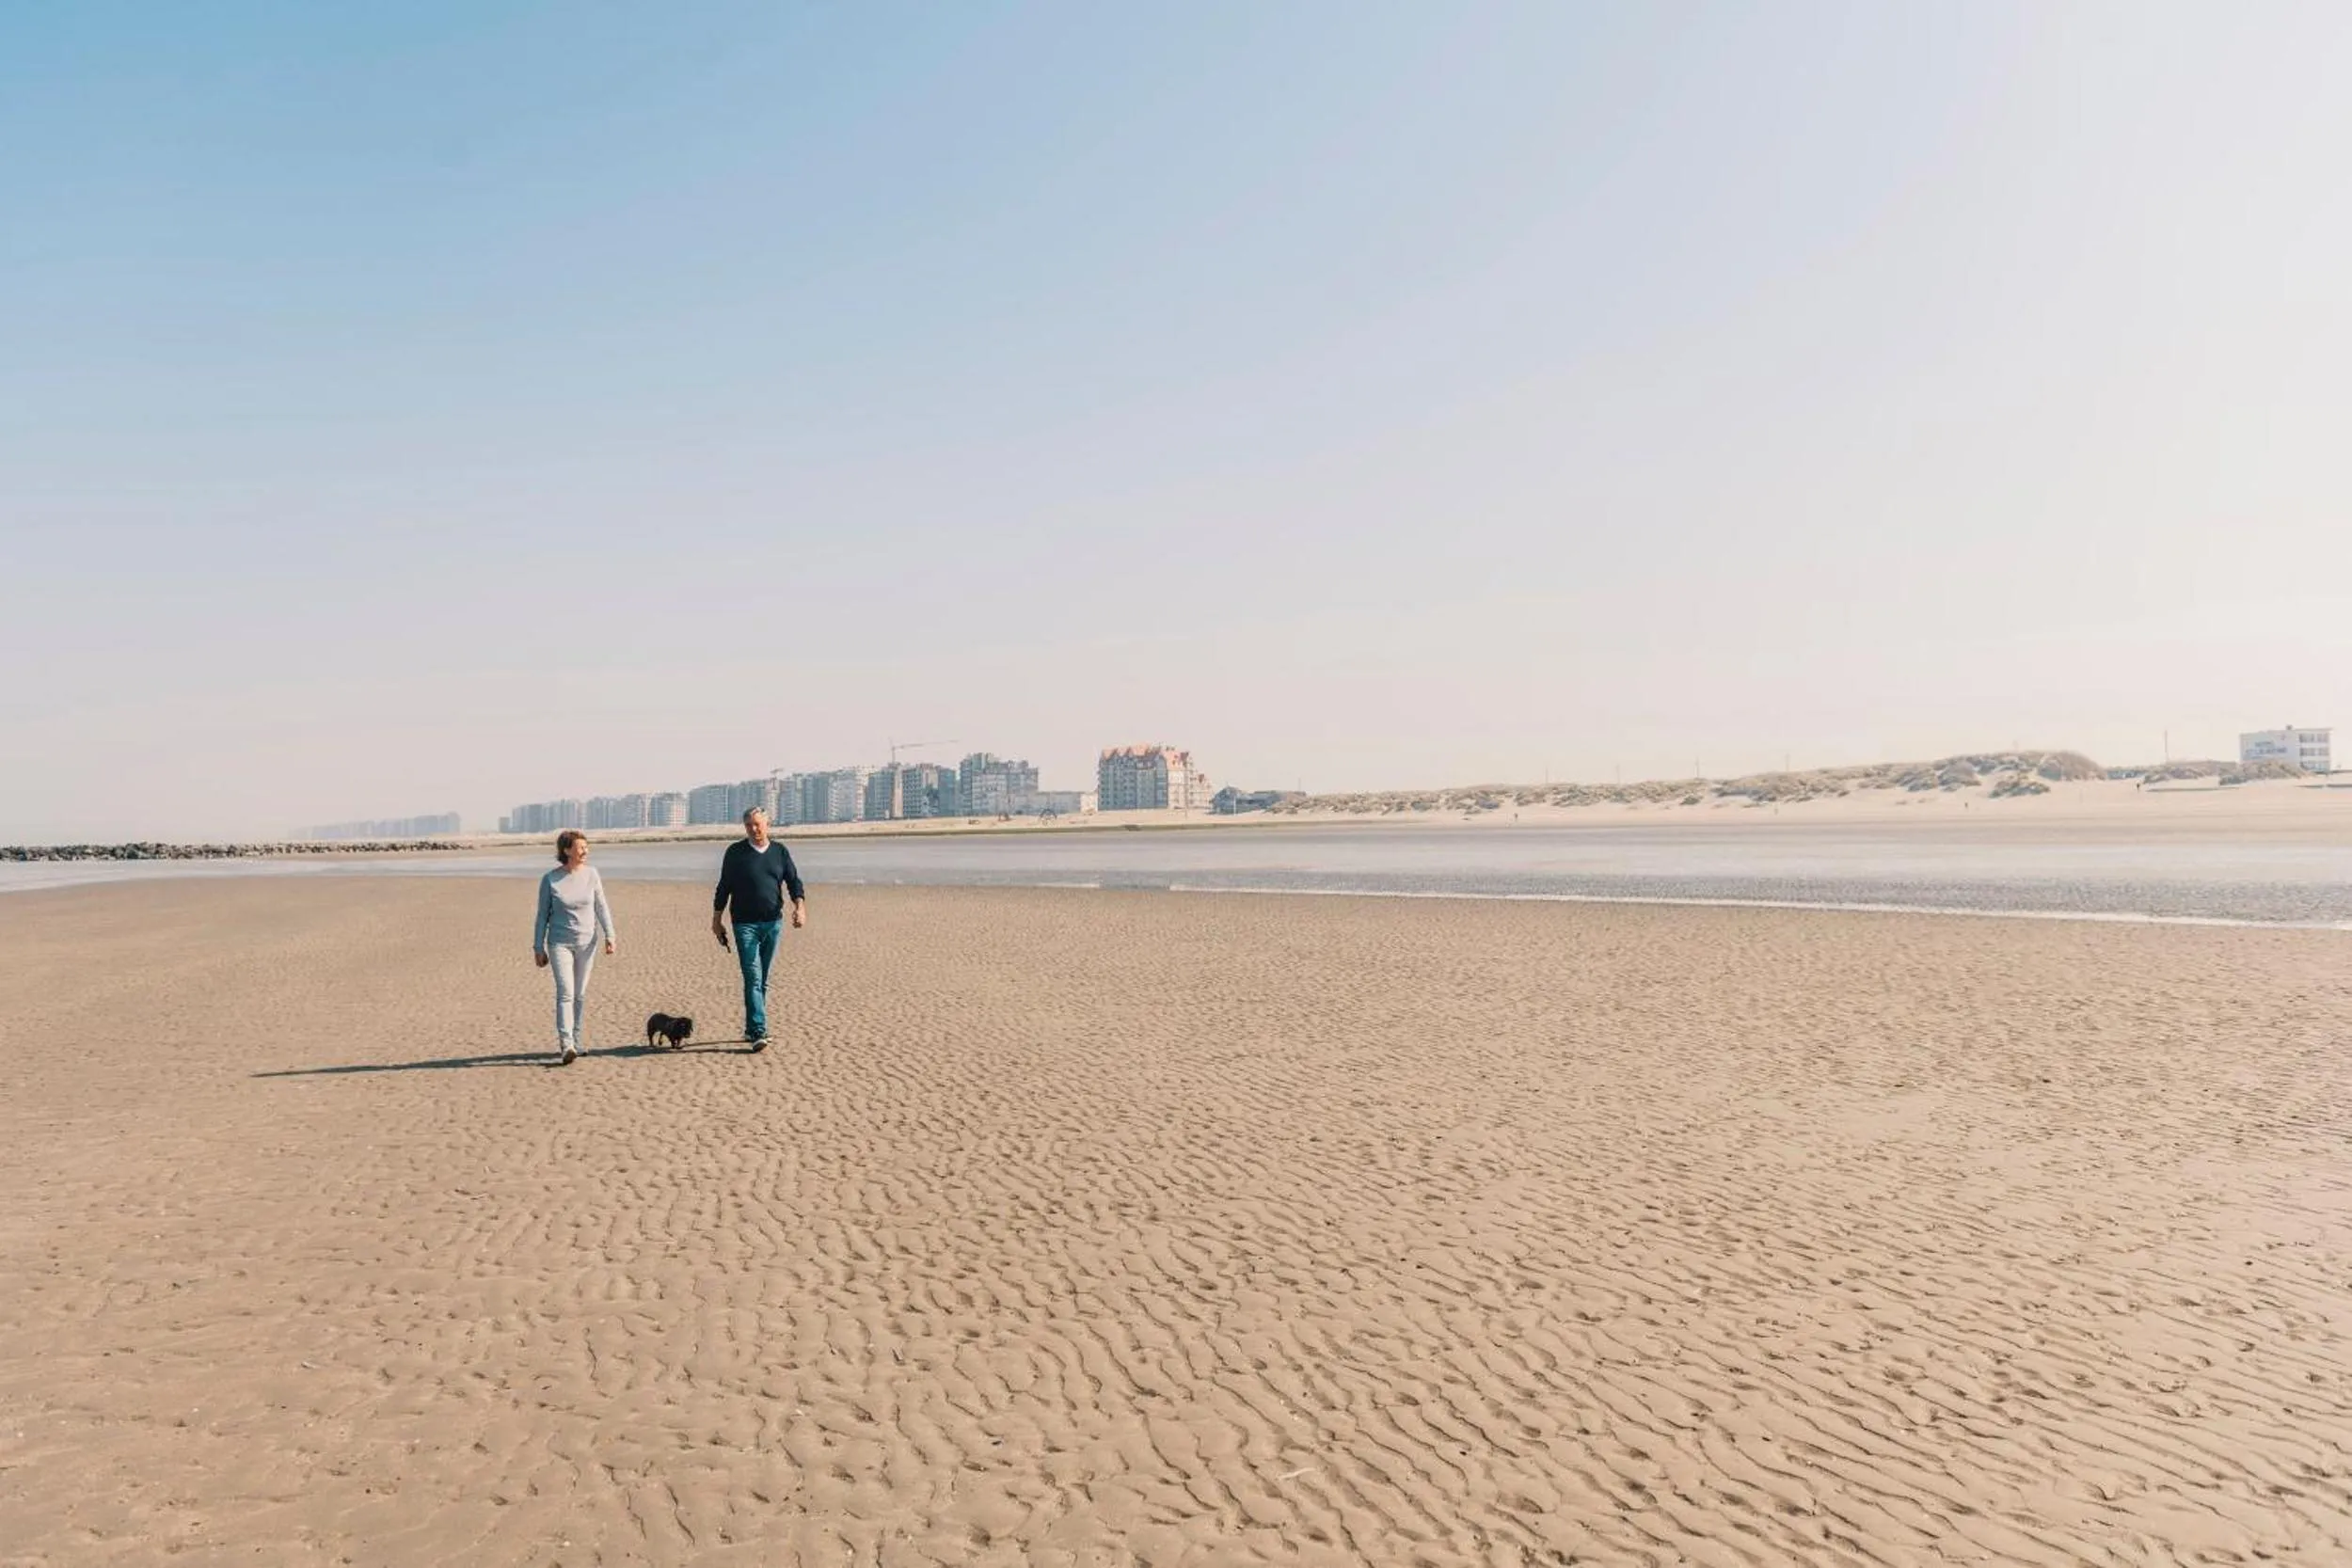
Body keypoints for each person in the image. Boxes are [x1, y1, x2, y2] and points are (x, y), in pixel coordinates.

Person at [711, 807, 807, 1052]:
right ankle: (758, 1030)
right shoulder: (735, 853)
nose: (753, 829)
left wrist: (800, 907)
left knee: (762, 980)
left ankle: (751, 1027)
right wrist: (716, 919)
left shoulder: (779, 852)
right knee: (753, 977)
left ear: (767, 824)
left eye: (757, 824)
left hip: (773, 922)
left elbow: (794, 881)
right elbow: (724, 887)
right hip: (744, 924)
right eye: (748, 825)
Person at [533, 830, 616, 1066]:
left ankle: (577, 1041)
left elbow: (602, 907)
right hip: (559, 943)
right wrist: (538, 947)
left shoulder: (592, 874)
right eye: (581, 847)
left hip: (587, 943)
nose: (585, 851)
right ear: (567, 850)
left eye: (586, 847)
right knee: (566, 992)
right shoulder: (550, 879)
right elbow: (542, 916)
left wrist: (611, 934)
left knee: (579, 994)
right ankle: (566, 1043)